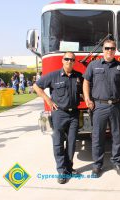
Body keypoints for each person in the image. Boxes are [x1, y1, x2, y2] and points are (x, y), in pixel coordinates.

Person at [83, 39, 120, 177]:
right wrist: (87, 98)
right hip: (99, 106)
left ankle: (117, 162)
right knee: (98, 137)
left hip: (116, 106)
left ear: (115, 50)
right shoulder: (93, 65)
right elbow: (86, 81)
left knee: (117, 136)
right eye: (107, 48)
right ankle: (97, 165)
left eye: (112, 48)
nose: (109, 50)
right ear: (102, 49)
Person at [33, 52, 83, 184]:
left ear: (74, 62)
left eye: (72, 60)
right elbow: (36, 86)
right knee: (58, 143)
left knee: (72, 143)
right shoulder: (54, 75)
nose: (69, 61)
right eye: (67, 59)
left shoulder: (78, 76)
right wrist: (48, 100)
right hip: (59, 114)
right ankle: (61, 171)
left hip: (74, 114)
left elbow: (85, 90)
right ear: (62, 60)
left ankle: (69, 168)